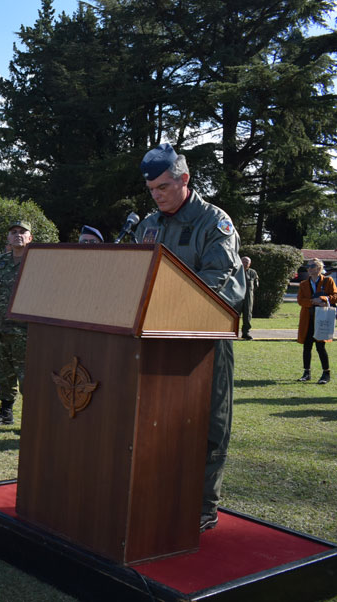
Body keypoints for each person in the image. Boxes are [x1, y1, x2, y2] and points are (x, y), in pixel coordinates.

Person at [134, 143, 246, 533]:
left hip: (204, 343)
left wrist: (169, 307)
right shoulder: (148, 225)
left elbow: (220, 284)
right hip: (156, 346)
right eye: (151, 190)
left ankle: (202, 506)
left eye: (163, 187)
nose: (157, 195)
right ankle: (160, 493)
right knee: (160, 425)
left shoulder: (214, 223)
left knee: (208, 426)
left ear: (185, 179)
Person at [0, 220, 33, 426]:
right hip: (2, 327)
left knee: (27, 376)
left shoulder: (36, 261)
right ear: (8, 238)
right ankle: (6, 412)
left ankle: (31, 420)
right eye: (13, 232)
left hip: (26, 330)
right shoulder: (0, 262)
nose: (17, 235)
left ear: (30, 238)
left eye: (22, 232)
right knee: (2, 372)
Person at [296, 258, 335, 385]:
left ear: (319, 268)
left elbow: (335, 296)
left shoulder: (328, 281)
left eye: (312, 266)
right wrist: (313, 301)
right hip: (307, 319)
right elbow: (300, 300)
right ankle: (306, 373)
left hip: (322, 318)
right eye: (308, 266)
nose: (309, 268)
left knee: (320, 346)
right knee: (307, 346)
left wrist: (323, 299)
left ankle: (326, 373)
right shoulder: (303, 284)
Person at [241, 256, 259, 340]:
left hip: (248, 296)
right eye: (243, 262)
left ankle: (245, 333)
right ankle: (231, 331)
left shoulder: (253, 272)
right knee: (234, 314)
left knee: (247, 314)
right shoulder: (236, 271)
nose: (245, 264)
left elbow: (255, 285)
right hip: (236, 297)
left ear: (250, 264)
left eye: (247, 262)